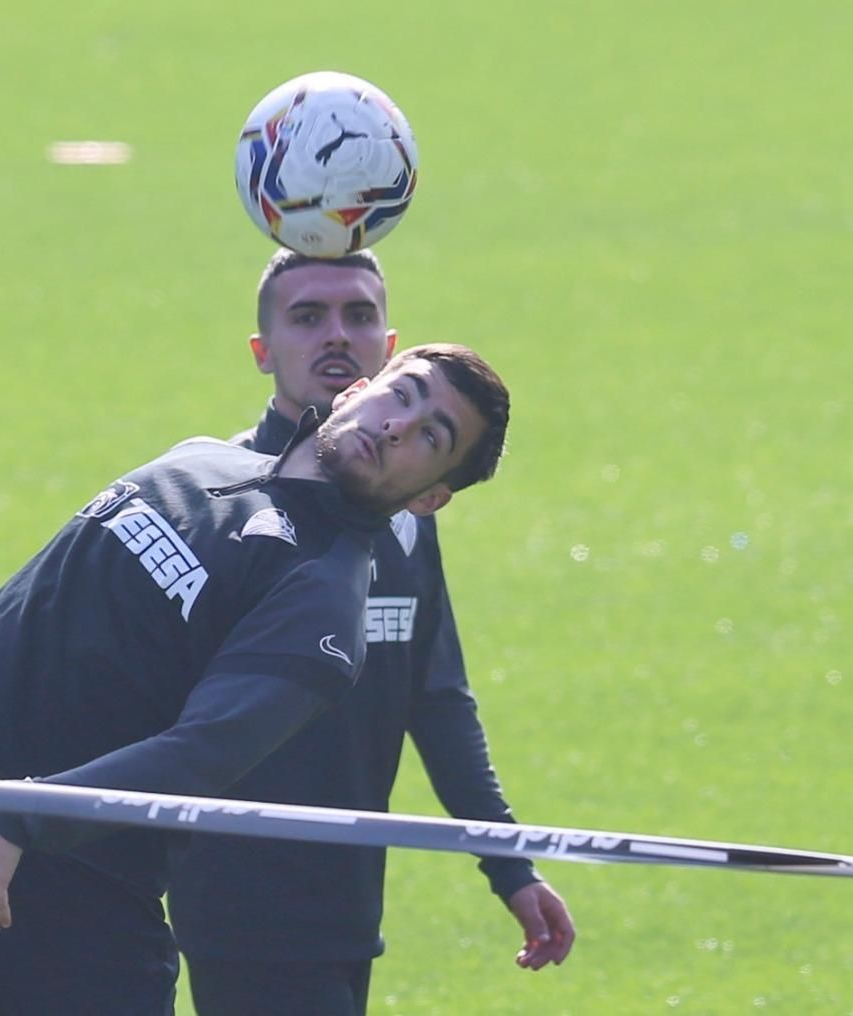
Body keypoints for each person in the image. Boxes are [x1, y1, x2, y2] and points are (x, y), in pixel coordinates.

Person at [0, 342, 512, 1015]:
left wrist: (24, 817)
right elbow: (52, 584)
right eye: (403, 395)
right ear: (355, 391)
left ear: (429, 498)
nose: (398, 426)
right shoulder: (199, 457)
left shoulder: (322, 603)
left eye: (432, 435)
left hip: (68, 897)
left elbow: (201, 754)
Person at [166, 249, 574, 1016]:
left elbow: (438, 702)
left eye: (358, 315)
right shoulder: (216, 501)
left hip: (346, 902)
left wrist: (510, 867)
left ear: (386, 351)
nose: (336, 336)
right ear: (263, 351)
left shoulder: (402, 515)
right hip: (237, 905)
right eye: (307, 316)